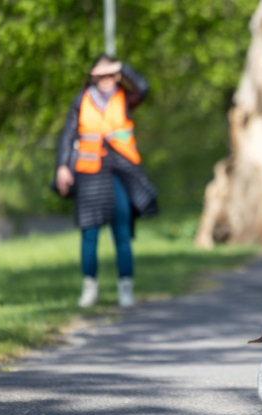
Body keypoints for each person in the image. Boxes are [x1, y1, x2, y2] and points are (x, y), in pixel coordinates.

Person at [54, 54, 158, 308]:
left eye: (111, 74)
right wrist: (62, 167)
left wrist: (122, 66)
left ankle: (126, 287)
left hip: (121, 171)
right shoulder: (81, 101)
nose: (106, 80)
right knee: (89, 232)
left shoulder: (124, 98)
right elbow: (68, 135)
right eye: (101, 75)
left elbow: (143, 88)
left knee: (121, 230)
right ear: (91, 76)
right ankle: (89, 288)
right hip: (89, 172)